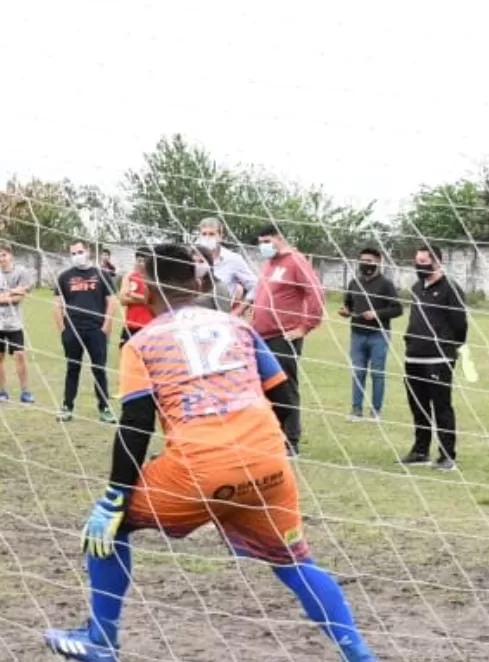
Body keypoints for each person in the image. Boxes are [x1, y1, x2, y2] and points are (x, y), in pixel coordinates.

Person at [42, 243, 376, 662]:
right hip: (268, 462)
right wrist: (273, 446)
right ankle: (360, 655)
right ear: (199, 282)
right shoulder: (237, 326)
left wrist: (114, 497)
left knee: (111, 528)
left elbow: (136, 425)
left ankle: (101, 640)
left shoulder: (142, 343)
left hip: (198, 469)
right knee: (296, 563)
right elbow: (286, 397)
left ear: (143, 288)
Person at [251, 225, 325, 456]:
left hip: (283, 337)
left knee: (284, 387)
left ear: (278, 238)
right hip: (261, 336)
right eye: (260, 242)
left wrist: (305, 326)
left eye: (266, 240)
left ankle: (290, 440)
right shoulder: (269, 264)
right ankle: (270, 436)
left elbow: (315, 292)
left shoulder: (295, 260)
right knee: (263, 388)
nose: (262, 245)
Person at [400, 245, 468, 471]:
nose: (419, 266)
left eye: (424, 262)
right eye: (417, 262)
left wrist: (448, 348)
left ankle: (447, 455)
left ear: (437, 262)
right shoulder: (417, 287)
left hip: (438, 359)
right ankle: (420, 450)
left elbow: (460, 326)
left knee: (441, 407)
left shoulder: (451, 289)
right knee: (418, 406)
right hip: (413, 358)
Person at [54, 239, 117, 424]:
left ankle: (104, 408)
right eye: (73, 253)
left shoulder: (102, 274)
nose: (77, 256)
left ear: (87, 251)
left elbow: (112, 302)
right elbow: (57, 304)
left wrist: (106, 326)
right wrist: (63, 329)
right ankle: (67, 407)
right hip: (73, 330)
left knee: (99, 369)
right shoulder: (64, 276)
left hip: (96, 329)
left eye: (79, 252)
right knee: (72, 368)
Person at [337, 248, 403, 422]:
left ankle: (376, 411)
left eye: (369, 260)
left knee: (377, 373)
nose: (365, 263)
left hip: (378, 335)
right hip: (357, 334)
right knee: (358, 372)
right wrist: (345, 311)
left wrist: (376, 314)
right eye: (362, 260)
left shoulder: (386, 284)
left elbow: (397, 309)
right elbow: (348, 305)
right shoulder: (354, 283)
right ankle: (356, 410)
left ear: (378, 262)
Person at [0, 243, 34, 402]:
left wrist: (4, 295)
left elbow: (21, 297)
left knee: (19, 355)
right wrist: (12, 293)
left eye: (4, 255)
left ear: (11, 255)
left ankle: (25, 392)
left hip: (15, 322)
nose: (1, 258)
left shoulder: (21, 272)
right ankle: (2, 392)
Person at [196, 216, 259, 315]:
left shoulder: (233, 259)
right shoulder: (192, 258)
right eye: (204, 234)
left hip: (220, 316)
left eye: (212, 234)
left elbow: (255, 286)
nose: (207, 238)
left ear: (220, 236)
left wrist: (238, 311)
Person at [116, 247, 155, 348]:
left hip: (148, 324)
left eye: (144, 261)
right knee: (125, 352)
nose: (141, 263)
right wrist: (140, 298)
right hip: (130, 324)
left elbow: (148, 300)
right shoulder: (129, 276)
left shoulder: (153, 279)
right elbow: (122, 300)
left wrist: (131, 294)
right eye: (139, 260)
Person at [192, 244, 236, 312]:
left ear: (209, 264)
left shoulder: (218, 287)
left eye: (201, 261)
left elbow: (225, 314)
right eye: (193, 261)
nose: (196, 265)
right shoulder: (184, 284)